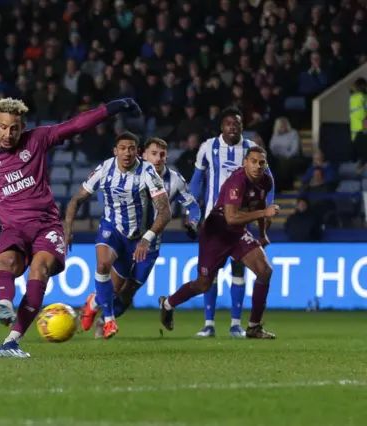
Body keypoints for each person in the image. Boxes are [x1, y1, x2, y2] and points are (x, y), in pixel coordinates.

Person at [0, 97, 142, 357]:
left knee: (39, 270)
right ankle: (5, 306)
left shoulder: (38, 139)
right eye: (4, 127)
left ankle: (11, 340)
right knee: (5, 263)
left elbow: (76, 124)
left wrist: (114, 107)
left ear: (23, 126)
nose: (9, 134)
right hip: (12, 228)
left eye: (15, 128)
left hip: (45, 226)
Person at [159, 146, 278, 339]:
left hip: (237, 233)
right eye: (253, 161)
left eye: (261, 162)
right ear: (245, 163)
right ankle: (167, 304)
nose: (257, 166)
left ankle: (254, 327)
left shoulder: (266, 181)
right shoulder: (237, 181)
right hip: (216, 233)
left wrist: (263, 234)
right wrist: (264, 214)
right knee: (203, 284)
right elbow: (231, 218)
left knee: (265, 271)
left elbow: (261, 204)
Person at [65, 133, 172, 340]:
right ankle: (109, 321)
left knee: (119, 290)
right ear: (115, 151)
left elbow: (165, 211)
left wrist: (146, 238)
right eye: (122, 148)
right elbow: (76, 199)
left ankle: (93, 303)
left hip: (140, 238)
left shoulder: (148, 172)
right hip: (112, 230)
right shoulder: (104, 169)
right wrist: (67, 229)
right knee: (103, 265)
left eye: (131, 148)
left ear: (137, 152)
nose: (127, 152)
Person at [190, 107, 275, 338]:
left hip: (241, 219)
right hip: (213, 220)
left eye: (237, 123)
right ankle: (209, 324)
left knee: (240, 270)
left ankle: (236, 324)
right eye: (228, 123)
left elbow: (270, 182)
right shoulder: (208, 147)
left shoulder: (250, 149)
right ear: (222, 126)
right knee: (211, 274)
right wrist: (191, 211)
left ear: (242, 126)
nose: (233, 127)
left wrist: (266, 212)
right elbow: (197, 181)